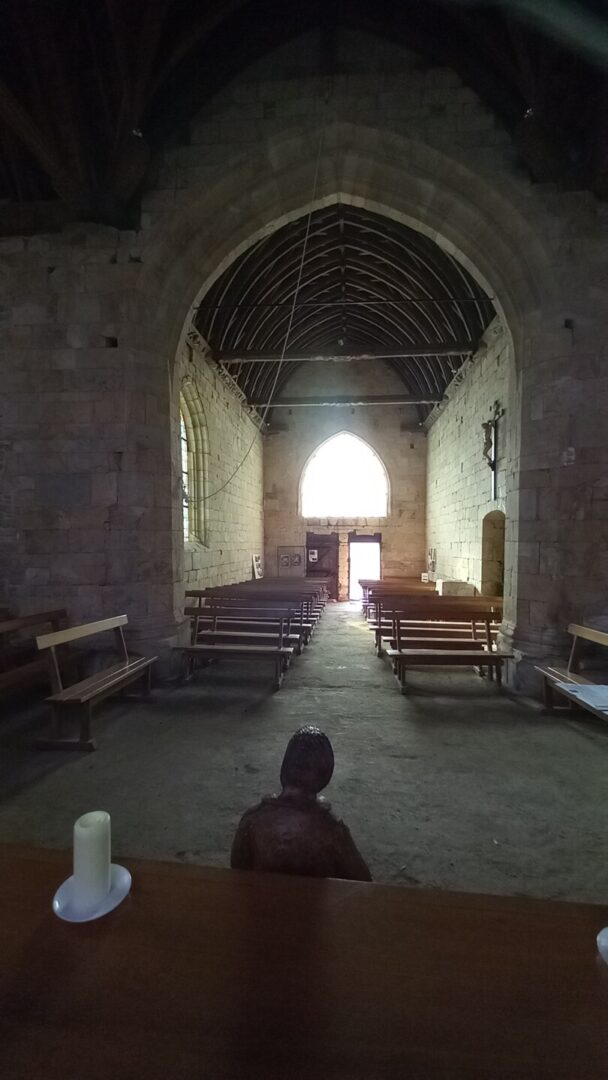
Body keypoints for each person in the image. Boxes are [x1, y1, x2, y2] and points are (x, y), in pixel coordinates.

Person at [230, 726, 372, 881]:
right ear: (325, 775)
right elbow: (362, 881)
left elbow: (237, 871)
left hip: (260, 896)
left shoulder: (252, 820)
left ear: (285, 768)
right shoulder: (332, 830)